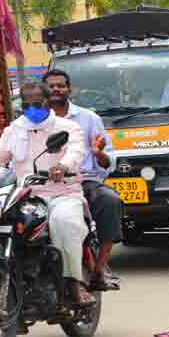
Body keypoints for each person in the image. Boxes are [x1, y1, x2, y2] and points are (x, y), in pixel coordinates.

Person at [0, 81, 94, 306]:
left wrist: (63, 166)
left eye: (37, 103)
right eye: (26, 105)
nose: (31, 109)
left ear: (47, 102)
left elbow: (76, 151)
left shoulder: (66, 127)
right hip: (24, 196)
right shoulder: (14, 129)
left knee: (64, 222)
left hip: (61, 193)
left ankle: (74, 282)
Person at [43, 68, 122, 290]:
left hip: (82, 181)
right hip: (41, 186)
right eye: (51, 86)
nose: (56, 89)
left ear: (70, 90)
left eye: (61, 85)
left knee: (109, 201)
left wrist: (99, 154)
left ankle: (99, 269)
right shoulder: (32, 121)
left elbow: (108, 162)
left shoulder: (88, 119)